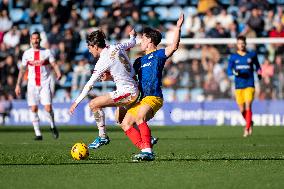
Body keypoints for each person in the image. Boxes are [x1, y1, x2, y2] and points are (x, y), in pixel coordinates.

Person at [115, 13, 184, 161]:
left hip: (154, 97)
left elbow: (174, 46)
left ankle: (148, 151)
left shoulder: (159, 54)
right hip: (141, 99)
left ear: (150, 40)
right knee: (125, 124)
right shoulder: (138, 61)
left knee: (140, 117)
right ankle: (145, 147)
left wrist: (178, 28)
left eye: (143, 38)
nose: (141, 41)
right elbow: (131, 77)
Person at [69, 29, 139, 149]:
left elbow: (89, 84)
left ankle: (102, 137)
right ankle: (147, 138)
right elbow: (132, 43)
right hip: (133, 87)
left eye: (90, 48)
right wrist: (132, 35)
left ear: (95, 46)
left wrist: (76, 101)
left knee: (93, 104)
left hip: (128, 92)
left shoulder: (103, 60)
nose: (89, 51)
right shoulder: (117, 46)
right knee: (120, 119)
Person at [15, 31, 61, 140]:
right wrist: (18, 84)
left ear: (40, 40)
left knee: (48, 108)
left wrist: (58, 72)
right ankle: (38, 133)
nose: (35, 40)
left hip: (45, 83)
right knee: (33, 108)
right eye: (33, 38)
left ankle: (52, 125)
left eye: (37, 38)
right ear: (30, 40)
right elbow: (22, 70)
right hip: (32, 85)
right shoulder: (27, 54)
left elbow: (54, 64)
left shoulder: (47, 52)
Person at [227, 35, 262, 137]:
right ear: (237, 45)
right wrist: (234, 72)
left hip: (249, 84)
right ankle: (249, 122)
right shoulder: (233, 57)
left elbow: (258, 66)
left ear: (245, 44)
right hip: (238, 86)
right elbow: (229, 70)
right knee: (242, 110)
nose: (241, 45)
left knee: (248, 106)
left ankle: (247, 129)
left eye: (243, 43)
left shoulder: (251, 55)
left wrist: (259, 73)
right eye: (239, 43)